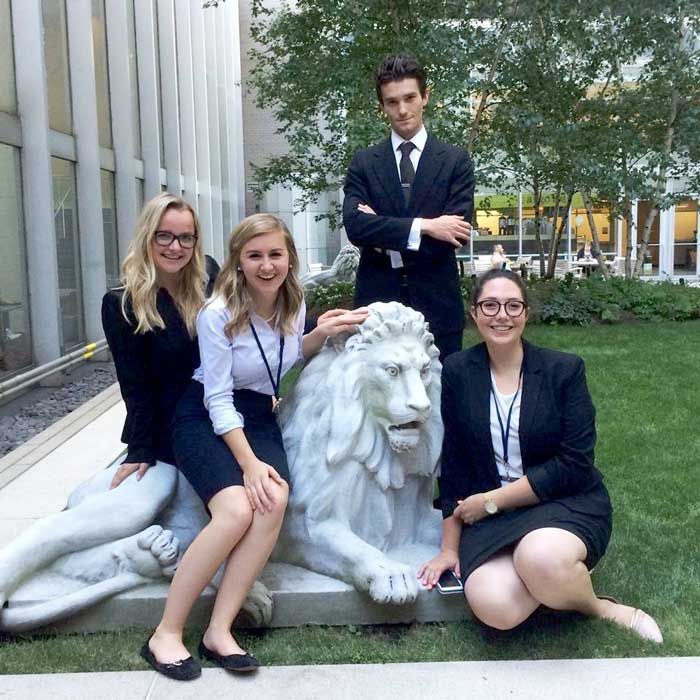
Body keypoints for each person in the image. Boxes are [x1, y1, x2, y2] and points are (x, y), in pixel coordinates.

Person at [143, 214, 368, 681]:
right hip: (206, 415)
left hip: (258, 413)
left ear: (290, 258)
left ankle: (219, 631)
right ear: (238, 262)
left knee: (274, 500)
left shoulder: (294, 300)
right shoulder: (217, 312)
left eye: (275, 254)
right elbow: (219, 398)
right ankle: (165, 633)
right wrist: (248, 465)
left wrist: (319, 335)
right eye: (255, 256)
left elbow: (281, 358)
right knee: (236, 510)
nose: (267, 265)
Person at [418, 269, 662, 644]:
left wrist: (493, 501)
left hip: (564, 500)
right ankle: (557, 582)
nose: (502, 315)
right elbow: (454, 463)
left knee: (539, 558)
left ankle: (598, 605)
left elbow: (574, 463)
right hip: (492, 518)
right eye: (491, 305)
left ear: (526, 314)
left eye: (513, 305)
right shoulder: (457, 372)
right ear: (474, 313)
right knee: (495, 608)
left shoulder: (563, 370)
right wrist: (449, 548)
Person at [342, 55, 474, 361]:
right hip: (376, 307)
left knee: (442, 403)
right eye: (392, 102)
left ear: (425, 97)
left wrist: (382, 234)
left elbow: (455, 236)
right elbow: (356, 226)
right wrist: (426, 227)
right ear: (382, 107)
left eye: (410, 98)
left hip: (438, 305)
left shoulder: (455, 161)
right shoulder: (364, 162)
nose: (402, 110)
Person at [101, 192, 207, 491]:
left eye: (187, 238)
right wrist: (140, 448)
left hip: (218, 415)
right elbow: (135, 385)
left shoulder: (206, 283)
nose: (176, 247)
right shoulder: (122, 304)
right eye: (165, 236)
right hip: (168, 429)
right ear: (147, 236)